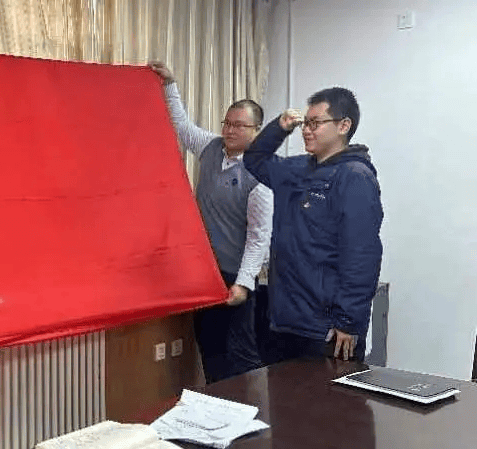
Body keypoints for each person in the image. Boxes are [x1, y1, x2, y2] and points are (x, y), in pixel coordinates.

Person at [149, 62, 273, 382]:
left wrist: (243, 284)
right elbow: (182, 126)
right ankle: (219, 408)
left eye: (239, 125)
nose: (230, 130)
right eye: (227, 123)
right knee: (210, 349)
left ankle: (254, 411)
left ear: (257, 131)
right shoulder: (211, 147)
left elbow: (259, 238)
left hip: (236, 276)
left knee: (241, 355)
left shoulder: (261, 175)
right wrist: (169, 84)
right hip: (205, 272)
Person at [243, 87, 383, 363]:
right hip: (285, 320)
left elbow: (362, 256)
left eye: (315, 123)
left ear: (343, 126)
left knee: (325, 393)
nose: (306, 130)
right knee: (281, 391)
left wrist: (348, 321)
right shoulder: (296, 169)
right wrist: (279, 128)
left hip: (327, 329)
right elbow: (254, 160)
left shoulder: (355, 177)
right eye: (305, 124)